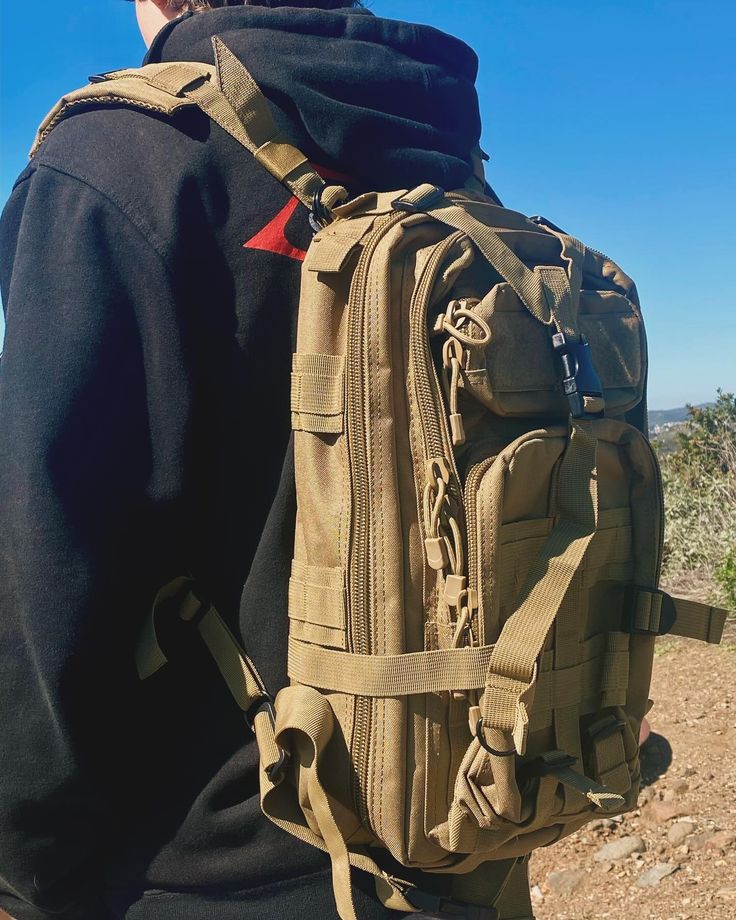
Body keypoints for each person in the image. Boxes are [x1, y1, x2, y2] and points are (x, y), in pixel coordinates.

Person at [0, 2, 494, 918]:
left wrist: (26, 867)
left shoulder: (121, 156)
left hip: (211, 863)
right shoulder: (445, 159)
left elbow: (43, 567)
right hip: (463, 821)